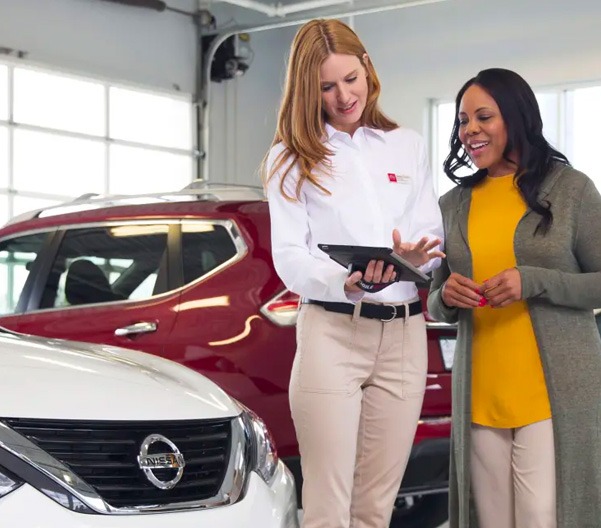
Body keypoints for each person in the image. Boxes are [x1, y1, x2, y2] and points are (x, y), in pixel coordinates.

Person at [262, 18, 444, 528]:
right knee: (328, 506)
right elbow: (289, 256)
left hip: (406, 335)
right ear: (307, 90)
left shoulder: (406, 144)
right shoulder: (291, 158)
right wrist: (341, 280)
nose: (344, 96)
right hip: (332, 333)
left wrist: (417, 254)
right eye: (326, 86)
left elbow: (432, 237)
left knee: (375, 508)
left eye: (351, 78)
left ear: (368, 69)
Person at [427, 67, 601, 528]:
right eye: (463, 120)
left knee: (541, 518)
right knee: (491, 522)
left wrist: (534, 280)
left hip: (553, 393)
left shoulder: (571, 190)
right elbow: (434, 301)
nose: (470, 130)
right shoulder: (452, 205)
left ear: (517, 117)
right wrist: (446, 294)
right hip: (481, 393)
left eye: (484, 116)